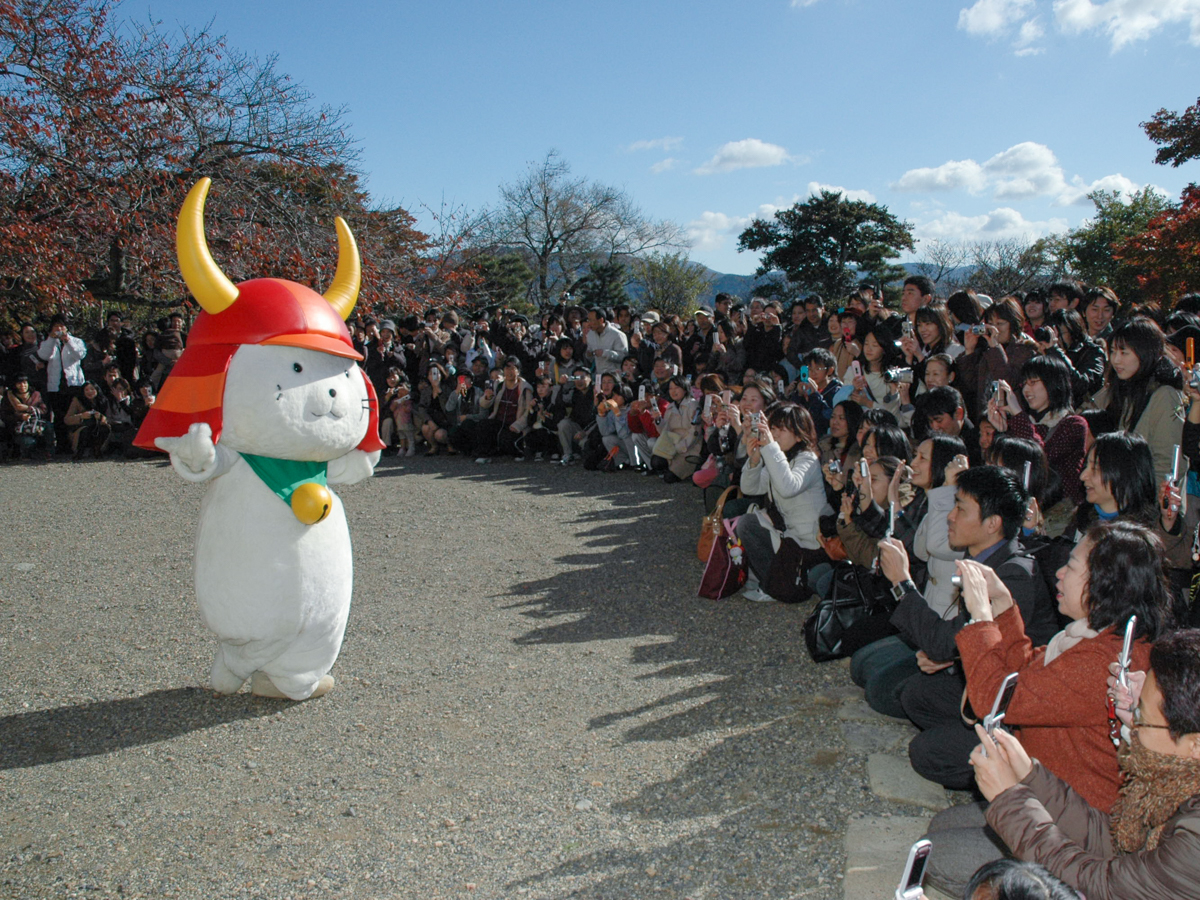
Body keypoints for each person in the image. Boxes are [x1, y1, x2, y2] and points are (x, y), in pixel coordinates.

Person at [918, 522, 1174, 895]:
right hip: (1049, 794)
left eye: (1071, 567)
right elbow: (1023, 678)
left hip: (1080, 826)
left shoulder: (1103, 661)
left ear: (1102, 583)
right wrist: (1004, 605)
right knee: (941, 827)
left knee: (936, 854)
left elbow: (993, 699)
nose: (1059, 573)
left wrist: (981, 619)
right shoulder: (1092, 637)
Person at [972, 629, 1200, 900]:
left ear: (1195, 745)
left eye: (1141, 716)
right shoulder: (1174, 783)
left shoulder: (1193, 839)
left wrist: (1011, 802)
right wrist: (1031, 776)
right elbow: (1114, 843)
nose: (1132, 726)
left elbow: (1101, 885)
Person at [880, 466, 1059, 788]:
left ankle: (1009, 765)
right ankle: (971, 733)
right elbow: (956, 638)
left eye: (961, 508)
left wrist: (901, 583)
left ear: (992, 524)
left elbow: (943, 642)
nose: (950, 517)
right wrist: (952, 654)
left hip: (1018, 704)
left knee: (924, 752)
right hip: (986, 680)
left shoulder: (1012, 574)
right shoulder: (984, 558)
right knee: (912, 694)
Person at [735, 402, 833, 602]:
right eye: (773, 428)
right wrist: (754, 460)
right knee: (747, 523)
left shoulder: (808, 459)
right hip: (790, 536)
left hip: (812, 542)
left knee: (749, 524)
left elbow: (788, 487)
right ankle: (774, 581)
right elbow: (750, 488)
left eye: (782, 430)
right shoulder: (780, 458)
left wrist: (770, 449)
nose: (776, 434)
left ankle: (775, 584)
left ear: (799, 435)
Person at [1088, 317, 1185, 484]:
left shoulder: (1165, 395)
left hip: (1147, 501)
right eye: (1113, 351)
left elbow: (1169, 463)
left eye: (1124, 352)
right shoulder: (1123, 388)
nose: (1116, 359)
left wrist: (1140, 499)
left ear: (1145, 352)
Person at [987, 355, 1089, 508]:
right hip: (1026, 508)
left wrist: (1017, 414)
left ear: (1053, 383)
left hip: (1059, 513)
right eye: (1024, 384)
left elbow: (1039, 458)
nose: (1026, 390)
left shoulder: (1074, 424)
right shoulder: (1023, 422)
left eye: (1033, 383)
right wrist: (1002, 431)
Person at [63, 381, 111, 459]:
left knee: (105, 428)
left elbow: (109, 418)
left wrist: (101, 417)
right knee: (85, 430)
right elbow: (67, 419)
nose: (89, 392)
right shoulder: (77, 401)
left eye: (92, 389)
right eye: (86, 390)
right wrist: (81, 416)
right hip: (82, 428)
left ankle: (98, 450)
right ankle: (80, 451)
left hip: (98, 428)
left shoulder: (103, 401)